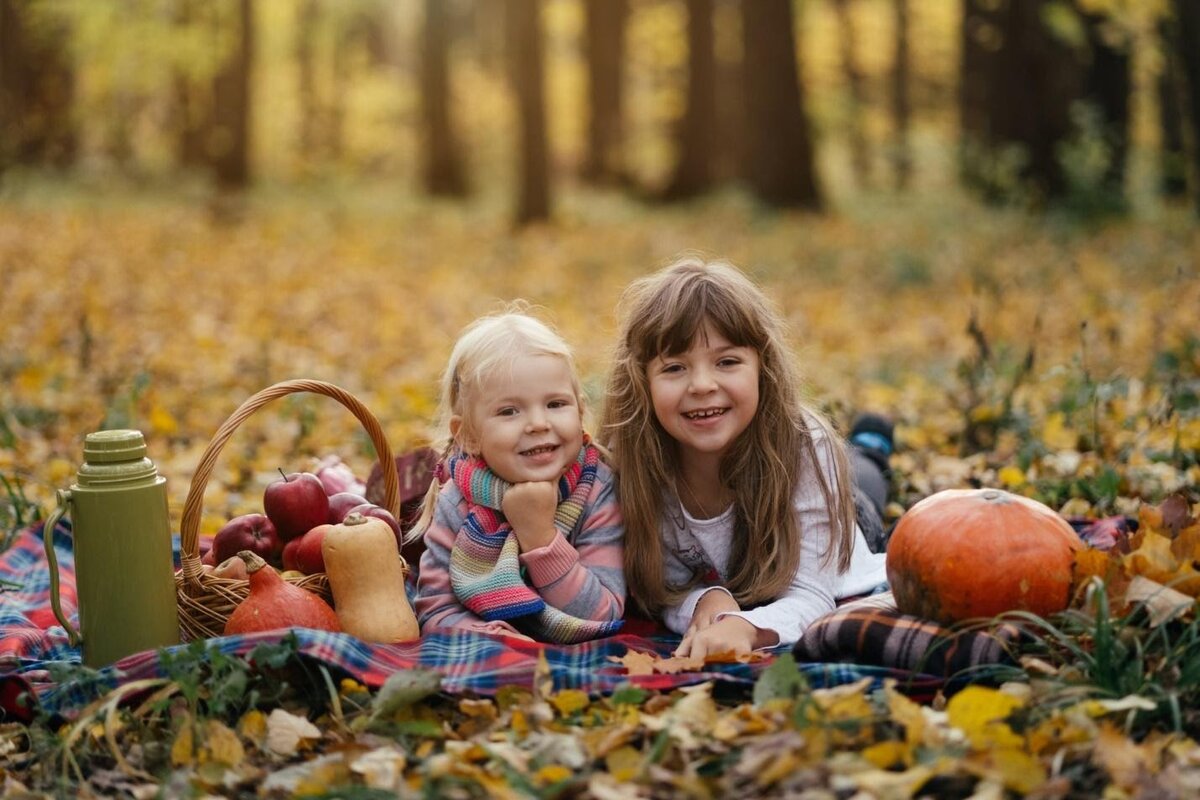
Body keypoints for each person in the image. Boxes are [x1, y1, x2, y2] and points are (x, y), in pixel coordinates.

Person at [599, 258, 890, 658]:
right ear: (641, 381)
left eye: (727, 362)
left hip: (837, 523)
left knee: (863, 483)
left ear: (762, 368)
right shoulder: (633, 463)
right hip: (736, 568)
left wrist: (748, 627)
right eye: (675, 367)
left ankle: (873, 446)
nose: (702, 385)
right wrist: (705, 601)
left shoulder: (805, 446)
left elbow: (812, 593)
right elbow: (657, 588)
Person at [412, 308, 625, 643]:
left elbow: (604, 613)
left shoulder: (596, 488)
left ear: (581, 412)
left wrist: (539, 536)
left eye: (555, 404)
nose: (539, 423)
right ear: (467, 435)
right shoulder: (457, 501)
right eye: (509, 411)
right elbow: (435, 610)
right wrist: (490, 637)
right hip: (491, 649)